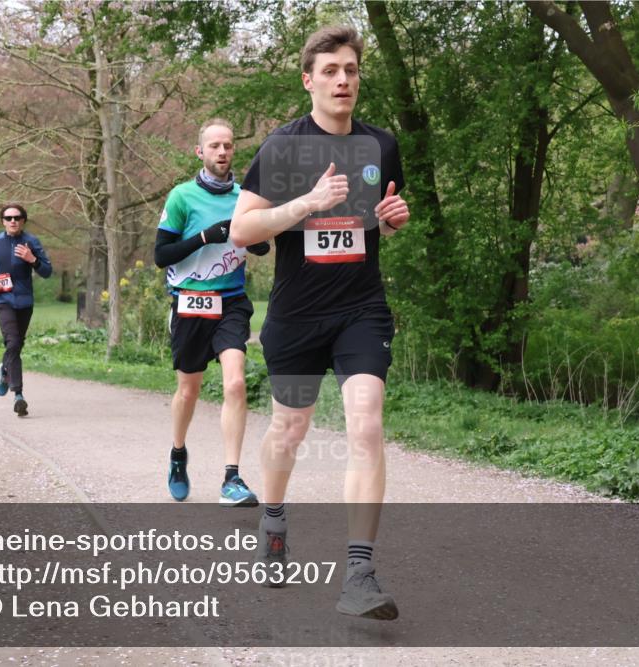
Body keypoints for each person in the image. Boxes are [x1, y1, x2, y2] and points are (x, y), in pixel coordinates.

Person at [230, 26, 410, 620]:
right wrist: (306, 203)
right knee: (289, 429)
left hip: (361, 309)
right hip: (297, 315)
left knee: (366, 425)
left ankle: (360, 572)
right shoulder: (283, 148)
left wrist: (391, 218)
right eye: (331, 70)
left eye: (351, 70)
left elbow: (375, 222)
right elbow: (243, 231)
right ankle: (274, 520)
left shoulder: (382, 145)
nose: (342, 80)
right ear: (309, 80)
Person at [154, 118, 270, 506]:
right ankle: (177, 452)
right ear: (200, 152)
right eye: (215, 146)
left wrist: (249, 235)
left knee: (236, 383)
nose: (223, 152)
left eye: (229, 145)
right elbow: (161, 256)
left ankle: (231, 479)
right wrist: (205, 236)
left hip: (231, 302)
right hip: (189, 302)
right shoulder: (181, 197)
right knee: (189, 390)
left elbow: (261, 249)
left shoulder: (244, 196)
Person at [0, 204, 53, 417]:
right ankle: (18, 395)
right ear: (3, 222)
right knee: (13, 342)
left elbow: (47, 272)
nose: (13, 221)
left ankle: (5, 371)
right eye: (8, 218)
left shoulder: (32, 242)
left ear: (23, 220)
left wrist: (32, 259)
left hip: (25, 302)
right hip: (3, 300)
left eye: (17, 217)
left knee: (17, 345)